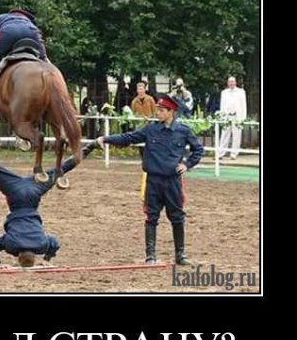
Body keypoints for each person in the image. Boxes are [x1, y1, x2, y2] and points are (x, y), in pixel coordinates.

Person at [0, 127, 95, 268]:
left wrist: (47, 259)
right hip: (14, 192)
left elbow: (55, 243)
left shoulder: (42, 245)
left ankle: (91, 146)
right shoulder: (11, 246)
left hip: (35, 192)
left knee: (61, 169)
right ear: (18, 258)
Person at [96, 95, 204, 265]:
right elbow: (128, 138)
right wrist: (106, 139)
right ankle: (150, 256)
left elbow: (198, 149)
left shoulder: (183, 131)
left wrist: (187, 164)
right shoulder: (150, 130)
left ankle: (180, 255)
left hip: (173, 182)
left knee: (177, 217)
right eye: (158, 110)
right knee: (151, 217)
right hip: (153, 181)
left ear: (171, 112)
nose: (158, 113)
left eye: (161, 110)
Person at [0, 8, 47, 107]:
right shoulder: (30, 22)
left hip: (9, 33)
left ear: (11, 13)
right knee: (45, 62)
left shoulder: (1, 18)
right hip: (32, 33)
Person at [218, 76, 247, 160]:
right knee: (224, 135)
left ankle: (234, 154)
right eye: (229, 82)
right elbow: (222, 105)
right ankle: (220, 153)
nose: (231, 83)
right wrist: (222, 117)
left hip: (237, 116)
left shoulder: (241, 92)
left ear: (235, 82)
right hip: (227, 116)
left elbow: (243, 105)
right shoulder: (224, 92)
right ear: (227, 83)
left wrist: (243, 117)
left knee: (236, 136)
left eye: (232, 82)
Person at [131, 81, 156, 156]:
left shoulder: (150, 99)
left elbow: (155, 111)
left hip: (149, 123)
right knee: (140, 142)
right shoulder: (134, 101)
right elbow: (133, 113)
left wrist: (150, 118)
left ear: (145, 89)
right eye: (139, 89)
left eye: (141, 89)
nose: (140, 91)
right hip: (139, 125)